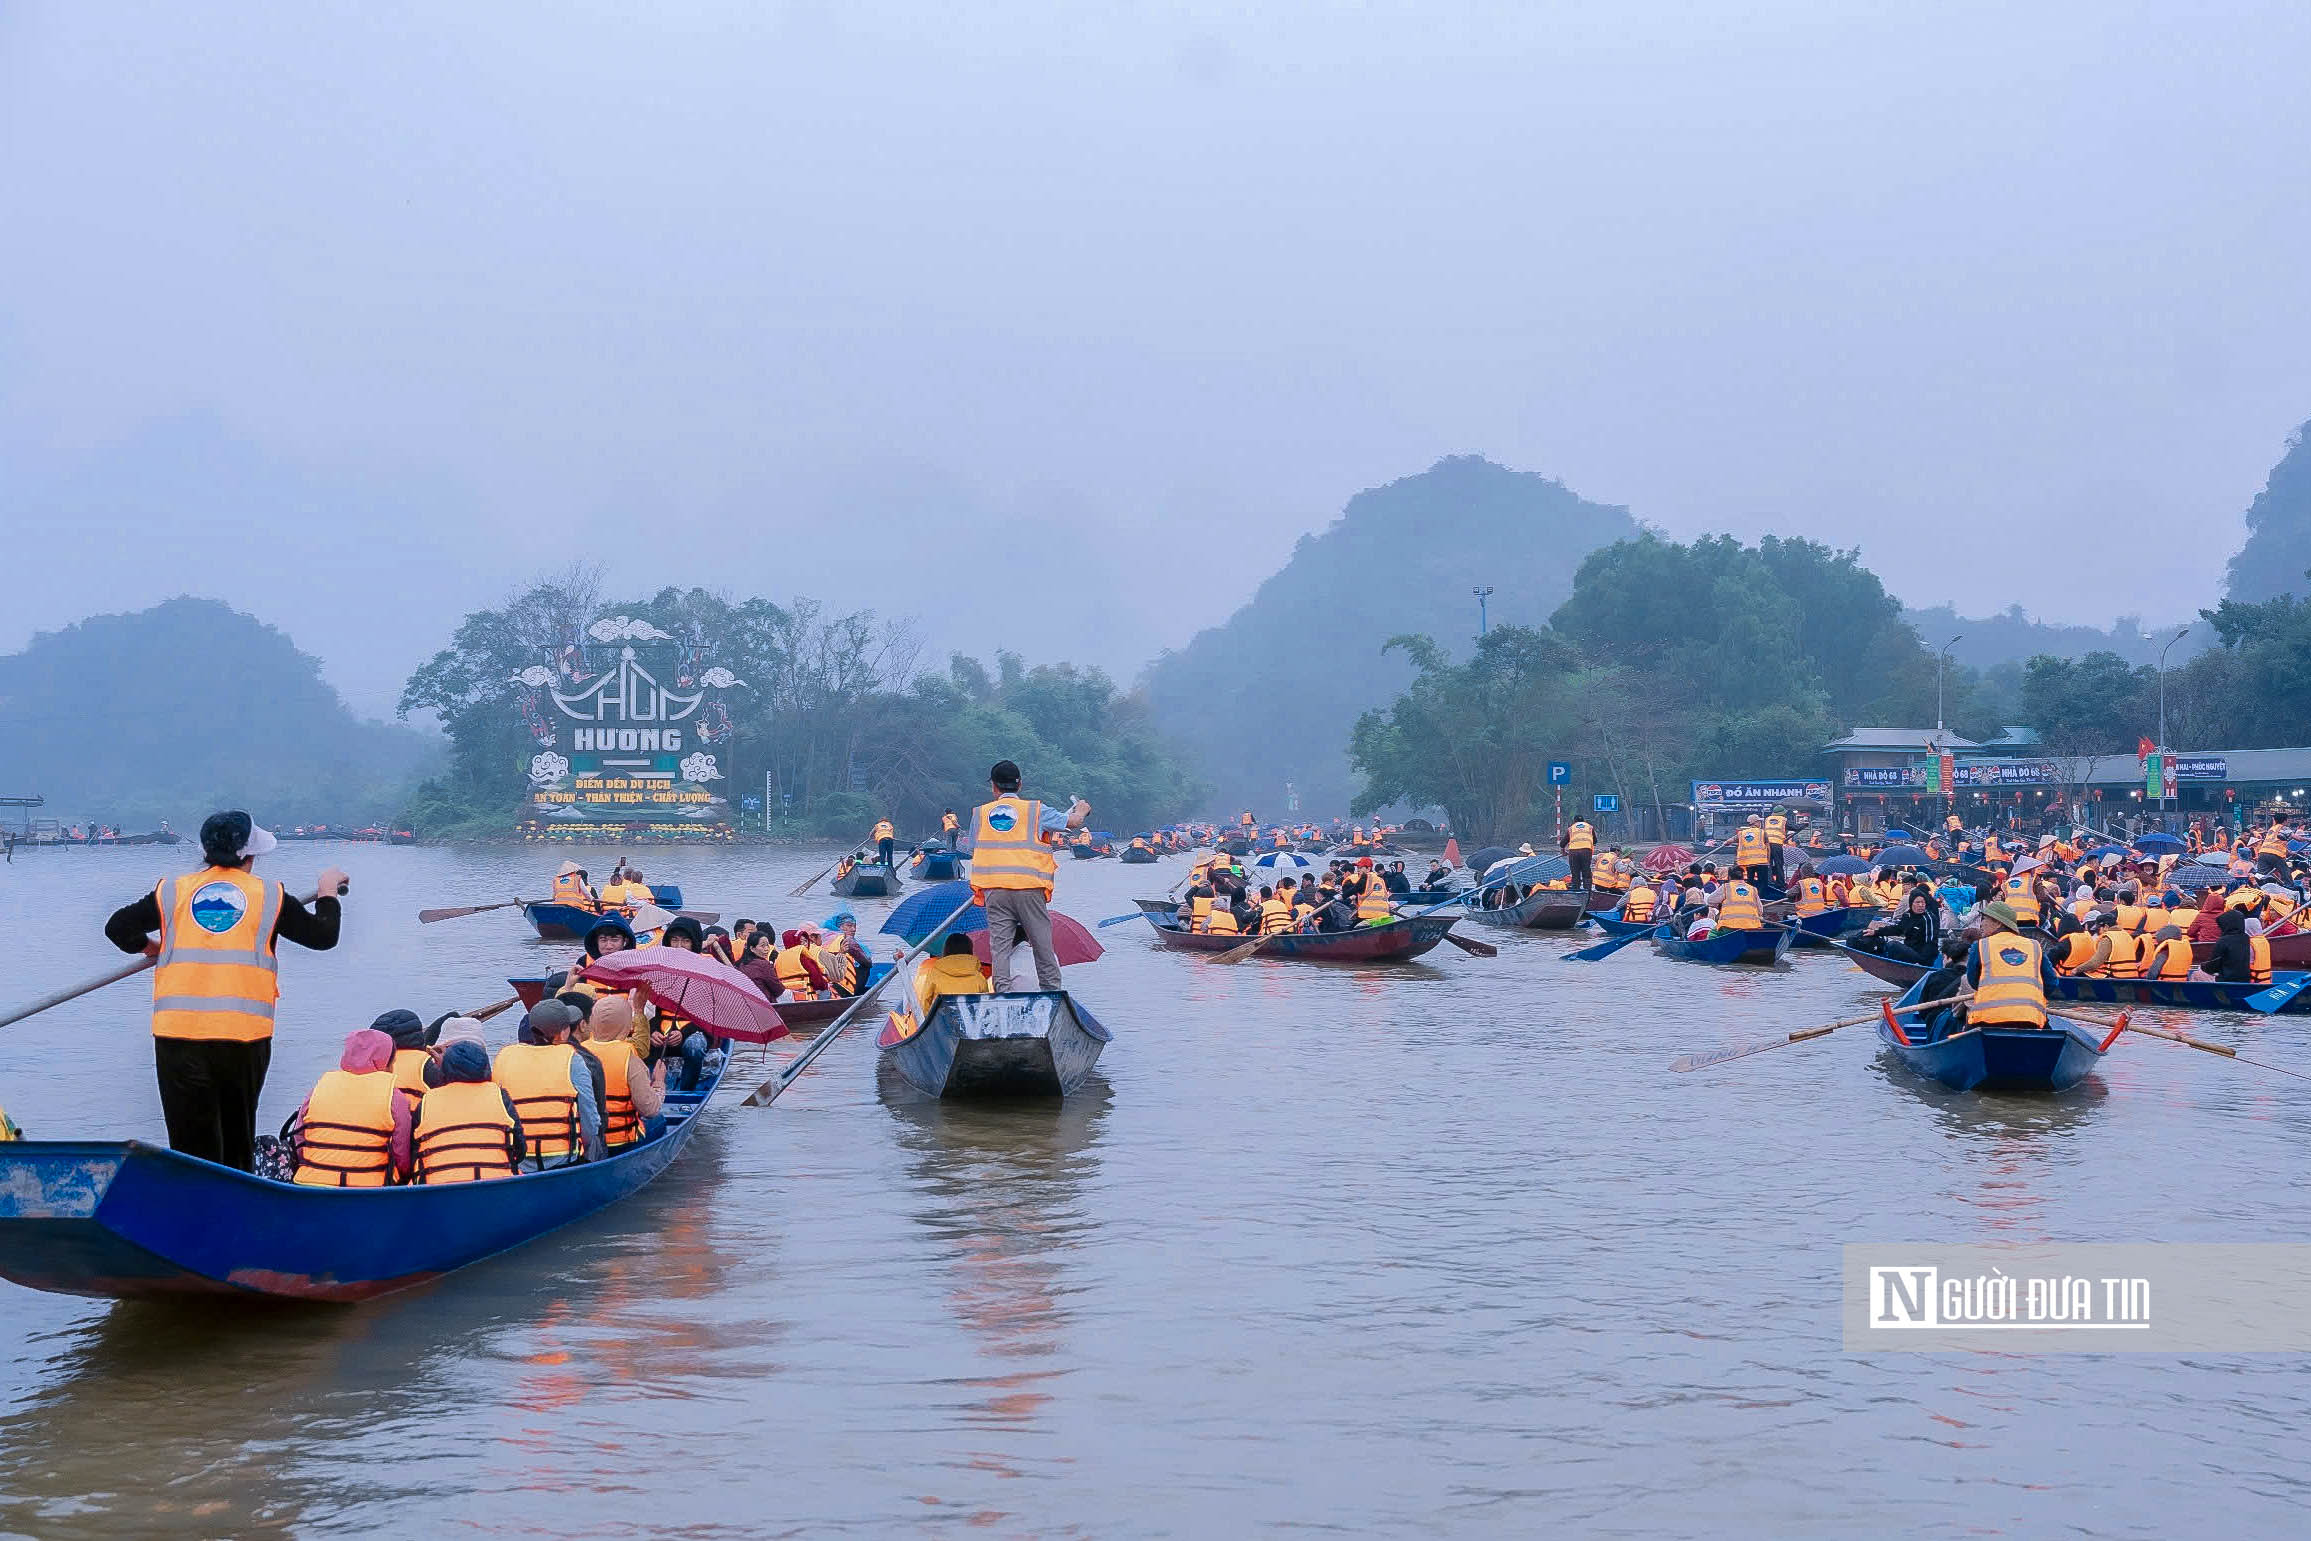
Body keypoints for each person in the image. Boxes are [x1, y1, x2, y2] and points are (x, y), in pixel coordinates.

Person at [102, 810, 347, 1172]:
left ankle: (191, 1216)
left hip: (177, 1037)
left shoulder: (173, 891)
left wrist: (150, 947)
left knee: (188, 1146)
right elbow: (324, 936)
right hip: (242, 1038)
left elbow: (117, 927)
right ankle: (233, 1214)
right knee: (235, 1141)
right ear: (250, 856)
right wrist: (327, 894)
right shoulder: (269, 896)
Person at [962, 759, 1090, 991]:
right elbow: (1073, 822)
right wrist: (1081, 809)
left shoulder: (980, 814)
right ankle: (1051, 994)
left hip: (995, 890)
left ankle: (1002, 995)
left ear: (993, 787)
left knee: (999, 948)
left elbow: (973, 848)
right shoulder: (1036, 810)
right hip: (1028, 889)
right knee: (1042, 944)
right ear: (1020, 784)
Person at [288, 1028, 416, 1187]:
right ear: (384, 1061)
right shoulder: (394, 1096)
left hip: (312, 1184)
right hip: (369, 1189)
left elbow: (299, 1137)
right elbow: (401, 1151)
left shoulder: (319, 1088)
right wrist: (405, 1176)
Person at [494, 1000, 606, 1171]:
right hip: (563, 1160)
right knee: (597, 1139)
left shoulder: (505, 1055)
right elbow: (589, 1118)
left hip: (517, 1160)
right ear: (564, 1032)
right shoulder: (573, 1059)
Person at [413, 1041, 524, 1184]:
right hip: (496, 1189)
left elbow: (414, 1153)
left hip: (439, 1191)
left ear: (445, 1069)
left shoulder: (427, 1101)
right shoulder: (500, 1096)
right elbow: (520, 1149)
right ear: (485, 1066)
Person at [578, 994, 660, 1150]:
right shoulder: (629, 1057)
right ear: (628, 1026)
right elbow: (649, 1109)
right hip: (619, 1142)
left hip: (584, 1141)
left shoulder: (577, 1052)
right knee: (658, 1120)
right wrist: (659, 1083)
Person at [1966, 903, 2061, 1029]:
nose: (1981, 924)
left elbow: (1973, 982)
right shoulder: (2034, 945)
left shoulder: (1980, 946)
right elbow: (2051, 983)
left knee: (1964, 1031)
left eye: (1984, 919)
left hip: (1988, 1020)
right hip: (2031, 1019)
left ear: (1998, 922)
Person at [915, 933, 992, 1019]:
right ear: (970, 950)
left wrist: (931, 1022)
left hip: (942, 1025)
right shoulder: (978, 977)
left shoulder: (935, 973)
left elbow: (924, 1003)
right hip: (970, 1026)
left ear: (946, 949)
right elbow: (985, 1006)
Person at [370, 1008, 438, 1101]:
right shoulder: (426, 1062)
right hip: (417, 1113)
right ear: (417, 1035)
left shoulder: (369, 1062)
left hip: (380, 1113)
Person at [1734, 816, 1770, 885]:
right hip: (1761, 862)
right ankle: (1760, 895)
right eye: (1759, 821)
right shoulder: (1762, 832)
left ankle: (1751, 894)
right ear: (1755, 822)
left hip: (1749, 862)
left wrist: (1726, 842)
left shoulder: (1742, 833)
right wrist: (1768, 860)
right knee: (1763, 883)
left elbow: (1730, 841)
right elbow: (1768, 847)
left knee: (1750, 882)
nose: (1760, 823)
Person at [1561, 817, 1596, 890]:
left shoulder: (1571, 828)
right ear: (1584, 821)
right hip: (1586, 851)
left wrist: (1563, 851)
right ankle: (1587, 891)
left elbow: (1562, 843)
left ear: (1574, 821)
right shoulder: (1589, 827)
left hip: (1573, 852)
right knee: (1586, 871)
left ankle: (1576, 891)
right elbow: (1595, 841)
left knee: (1575, 872)